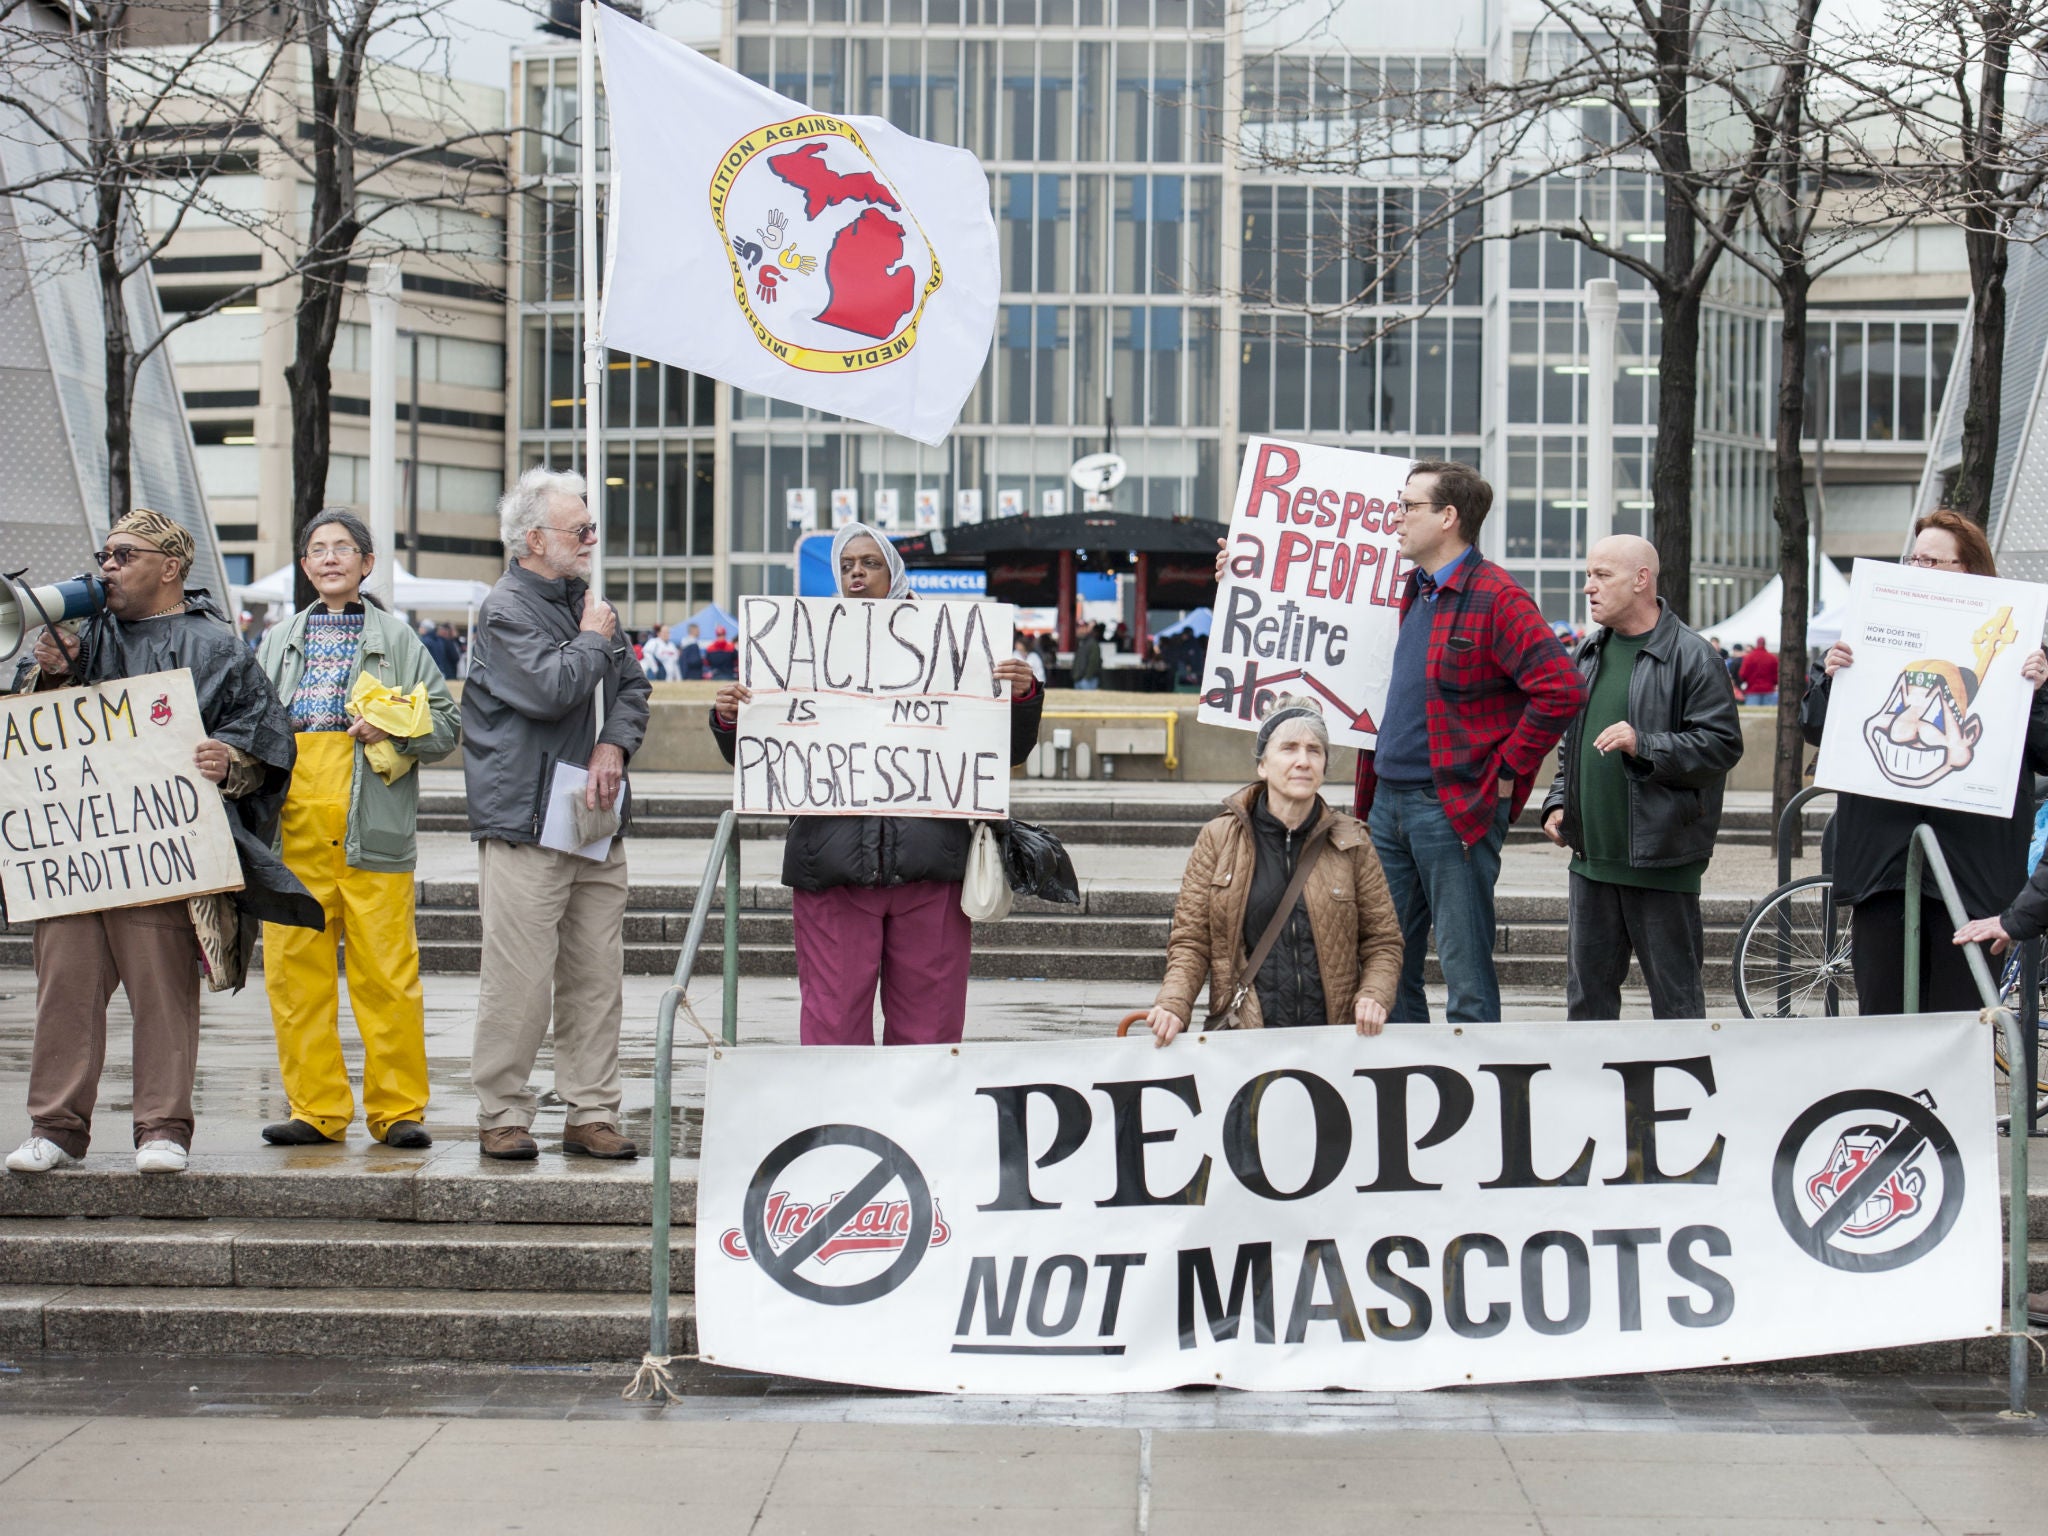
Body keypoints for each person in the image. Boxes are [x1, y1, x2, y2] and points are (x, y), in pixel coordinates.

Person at [5, 511, 321, 1175]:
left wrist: (230, 761)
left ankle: (161, 1128)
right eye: (106, 554)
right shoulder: (84, 639)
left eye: (124, 555)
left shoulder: (216, 648)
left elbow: (265, 737)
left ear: (170, 566)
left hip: (161, 859)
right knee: (64, 988)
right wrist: (53, 675)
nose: (108, 567)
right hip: (80, 855)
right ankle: (55, 1128)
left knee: (161, 992)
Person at [707, 522, 1043, 1045]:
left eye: (870, 563)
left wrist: (1020, 697)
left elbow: (1008, 752)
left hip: (930, 870)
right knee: (832, 1026)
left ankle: (920, 1129)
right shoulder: (804, 647)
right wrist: (732, 719)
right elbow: (765, 758)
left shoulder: (952, 648)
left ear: (895, 572)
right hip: (832, 869)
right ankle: (839, 1123)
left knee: (928, 1028)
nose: (857, 573)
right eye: (846, 566)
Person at [1344, 461, 1583, 1023]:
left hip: (1452, 805)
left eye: (1408, 507)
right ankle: (1402, 1075)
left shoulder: (1497, 595)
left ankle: (1476, 1088)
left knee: (1464, 964)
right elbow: (1310, 594)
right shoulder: (1412, 589)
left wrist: (1509, 767)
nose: (1396, 518)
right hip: (1387, 802)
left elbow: (1561, 689)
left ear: (1448, 517)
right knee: (1385, 958)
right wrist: (1241, 570)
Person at [255, 511, 460, 1150]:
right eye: (316, 550)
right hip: (292, 833)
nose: (329, 558)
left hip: (374, 828)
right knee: (294, 974)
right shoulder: (275, 640)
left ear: (367, 563)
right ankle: (314, 1108)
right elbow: (250, 722)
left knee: (387, 974)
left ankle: (397, 1110)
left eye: (343, 548)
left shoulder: (398, 641)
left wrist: (394, 726)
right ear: (305, 566)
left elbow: (448, 725)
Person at [463, 466, 652, 1160]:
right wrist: (596, 638)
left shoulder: (588, 606)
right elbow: (551, 690)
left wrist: (613, 745)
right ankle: (504, 1111)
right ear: (534, 539)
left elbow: (632, 689)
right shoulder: (506, 610)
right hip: (525, 818)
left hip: (592, 813)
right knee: (517, 978)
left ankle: (591, 1109)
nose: (592, 540)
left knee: (596, 975)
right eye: (581, 530)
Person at [1803, 509, 2048, 1013]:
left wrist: (2038, 695)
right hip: (1883, 870)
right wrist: (1833, 680)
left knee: (1960, 1024)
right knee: (1885, 1021)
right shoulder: (1868, 635)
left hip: (1973, 873)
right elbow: (1818, 731)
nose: (1918, 569)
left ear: (1971, 572)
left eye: (1934, 561)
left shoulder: (2019, 655)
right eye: (1914, 559)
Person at [1540, 537, 1745, 1019]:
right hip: (1590, 863)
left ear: (1641, 579)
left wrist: (1644, 743)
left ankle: (1689, 1093)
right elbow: (1571, 746)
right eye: (1588, 575)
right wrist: (1555, 803)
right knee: (1587, 1007)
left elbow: (1722, 746)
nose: (1589, 587)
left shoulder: (1694, 656)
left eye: (1602, 575)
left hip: (1663, 864)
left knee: (1677, 1008)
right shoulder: (1587, 653)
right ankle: (1589, 1093)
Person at [1146, 698, 1403, 1044]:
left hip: (1333, 1044)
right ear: (1263, 765)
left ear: (1325, 766)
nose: (1303, 761)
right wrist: (1174, 1004)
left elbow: (1383, 941)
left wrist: (1374, 993)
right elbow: (1191, 942)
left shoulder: (1352, 841)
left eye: (1315, 750)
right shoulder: (1219, 838)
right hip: (1246, 1040)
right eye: (1289, 748)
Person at [1740, 635, 1780, 705]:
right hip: (1768, 690)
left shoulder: (1749, 658)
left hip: (1752, 690)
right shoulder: (1772, 658)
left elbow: (1743, 674)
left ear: (1757, 644)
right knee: (1769, 714)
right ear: (1765, 644)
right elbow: (1776, 676)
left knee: (1751, 714)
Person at [1073, 621, 1103, 690]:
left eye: (1082, 628)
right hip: (1079, 679)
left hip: (1088, 680)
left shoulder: (1092, 643)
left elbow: (1094, 662)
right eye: (1078, 628)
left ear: (1087, 629)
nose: (1079, 630)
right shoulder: (1081, 643)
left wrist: (1087, 677)